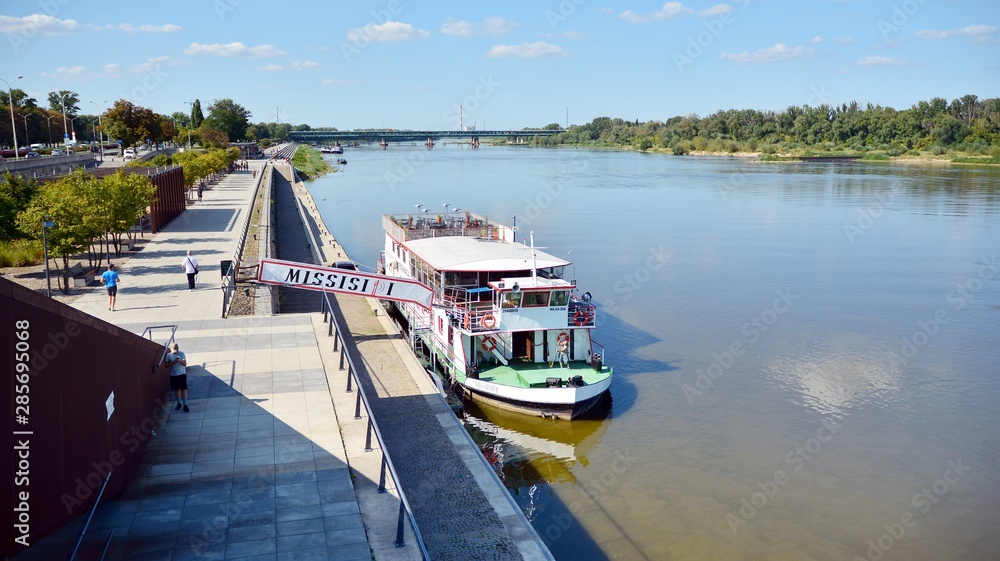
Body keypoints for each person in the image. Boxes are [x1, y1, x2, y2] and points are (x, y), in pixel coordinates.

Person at [166, 343, 189, 412]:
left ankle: (185, 404)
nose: (175, 353)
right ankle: (179, 402)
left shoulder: (182, 354)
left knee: (184, 389)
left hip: (182, 374)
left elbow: (185, 364)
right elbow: (166, 365)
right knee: (176, 389)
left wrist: (180, 360)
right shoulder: (169, 355)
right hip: (173, 374)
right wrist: (172, 362)